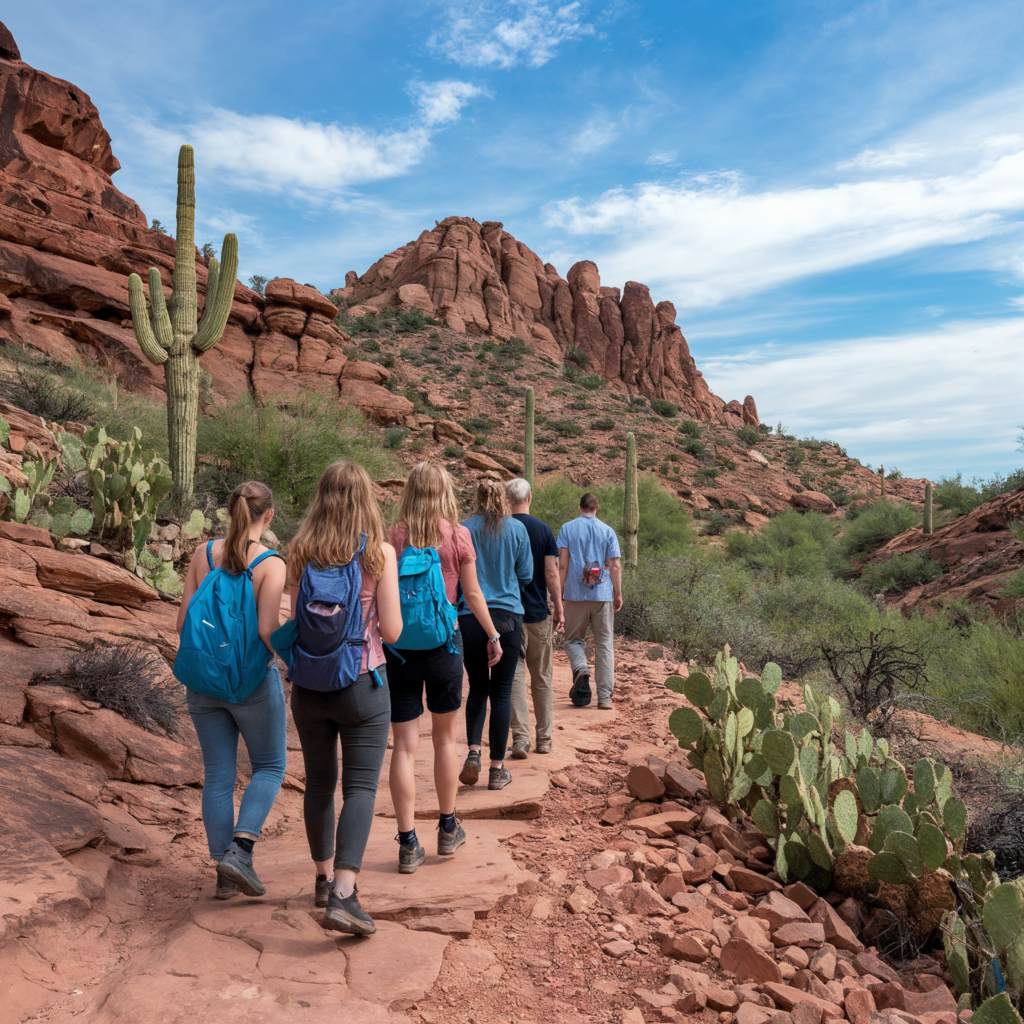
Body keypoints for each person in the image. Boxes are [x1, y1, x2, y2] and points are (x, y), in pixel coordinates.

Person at [287, 460, 402, 936]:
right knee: (359, 788)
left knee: (318, 783)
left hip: (309, 687)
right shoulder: (379, 555)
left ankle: (320, 878)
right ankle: (344, 893)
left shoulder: (299, 551)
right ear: (366, 501)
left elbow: (286, 620)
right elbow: (392, 630)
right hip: (361, 684)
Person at [386, 462, 502, 873]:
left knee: (403, 746)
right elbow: (471, 593)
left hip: (398, 649)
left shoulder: (394, 535)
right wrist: (492, 634)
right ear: (444, 492)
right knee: (444, 740)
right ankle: (448, 828)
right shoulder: (457, 535)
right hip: (444, 646)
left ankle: (407, 842)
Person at [177, 481, 288, 900]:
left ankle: (224, 874)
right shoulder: (271, 565)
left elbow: (182, 622)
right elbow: (266, 630)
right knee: (270, 767)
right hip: (250, 684)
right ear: (269, 516)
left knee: (219, 776)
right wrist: (296, 661)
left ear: (230, 510)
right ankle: (240, 852)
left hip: (202, 682)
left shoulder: (204, 554)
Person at [457, 479, 533, 791]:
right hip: (507, 616)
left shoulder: (464, 529)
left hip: (470, 616)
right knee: (501, 692)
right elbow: (526, 574)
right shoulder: (517, 530)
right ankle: (496, 769)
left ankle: (474, 751)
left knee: (477, 687)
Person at [505, 477, 564, 757]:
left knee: (515, 677)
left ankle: (520, 739)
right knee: (541, 677)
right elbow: (551, 573)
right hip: (538, 612)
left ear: (508, 500)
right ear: (529, 498)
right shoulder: (542, 530)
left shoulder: (500, 530)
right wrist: (559, 607)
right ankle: (545, 739)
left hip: (507, 616)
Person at [557, 492, 622, 711]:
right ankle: (604, 697)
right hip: (602, 596)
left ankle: (581, 668)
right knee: (604, 645)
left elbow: (563, 566)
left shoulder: (567, 529)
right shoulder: (608, 531)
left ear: (580, 507)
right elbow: (614, 566)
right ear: (597, 508)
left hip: (575, 596)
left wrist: (559, 594)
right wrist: (618, 593)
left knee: (573, 640)